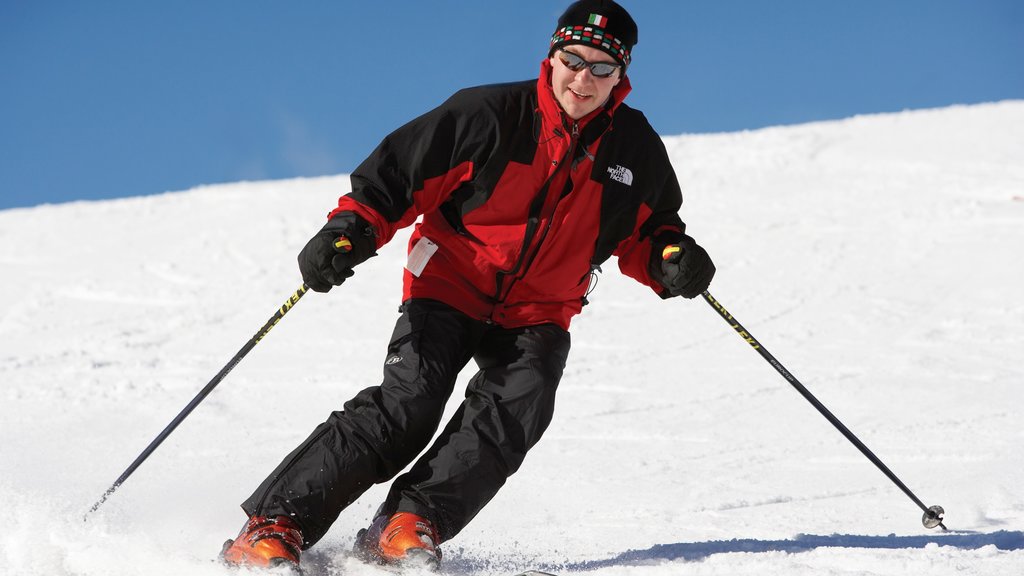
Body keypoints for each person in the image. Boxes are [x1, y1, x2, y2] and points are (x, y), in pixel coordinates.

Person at [220, 0, 715, 571]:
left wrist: (672, 259)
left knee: (513, 410)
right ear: (552, 56)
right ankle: (273, 524)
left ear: (620, 76)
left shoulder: (633, 148)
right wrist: (350, 229)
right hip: (453, 281)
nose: (583, 78)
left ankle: (408, 522)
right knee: (410, 405)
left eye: (601, 67)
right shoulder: (490, 114)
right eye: (573, 59)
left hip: (540, 307)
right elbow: (398, 177)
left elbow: (652, 230)